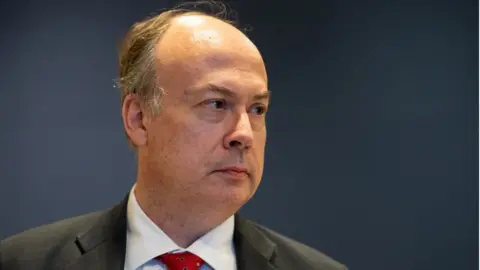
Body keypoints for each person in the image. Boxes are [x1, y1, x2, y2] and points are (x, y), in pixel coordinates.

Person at [0, 3, 347, 270]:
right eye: (216, 103)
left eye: (257, 109)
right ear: (138, 119)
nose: (244, 134)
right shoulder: (21, 262)